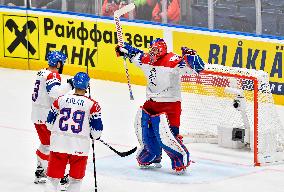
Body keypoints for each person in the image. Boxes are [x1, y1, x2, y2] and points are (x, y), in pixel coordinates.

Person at [115, 38, 204, 174]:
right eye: (152, 49)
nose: (153, 53)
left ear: (163, 51)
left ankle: (181, 159)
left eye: (156, 50)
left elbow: (199, 68)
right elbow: (134, 53)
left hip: (170, 105)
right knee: (146, 131)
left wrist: (191, 57)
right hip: (151, 102)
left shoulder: (172, 60)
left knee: (168, 137)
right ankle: (153, 155)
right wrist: (124, 49)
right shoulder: (145, 59)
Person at [44, 72, 103, 192]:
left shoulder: (59, 100)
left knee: (52, 179)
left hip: (58, 144)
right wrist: (92, 134)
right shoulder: (93, 105)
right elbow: (96, 132)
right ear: (87, 86)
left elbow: (49, 124)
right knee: (75, 180)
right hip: (80, 148)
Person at [31, 51, 74, 184]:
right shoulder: (53, 74)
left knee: (46, 144)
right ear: (58, 63)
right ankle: (57, 175)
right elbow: (54, 92)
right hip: (46, 117)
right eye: (62, 63)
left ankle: (40, 170)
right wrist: (70, 85)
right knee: (55, 146)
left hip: (37, 114)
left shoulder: (41, 72)